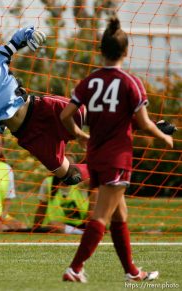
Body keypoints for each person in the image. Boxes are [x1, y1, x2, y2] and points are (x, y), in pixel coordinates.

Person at [59, 16, 174, 283]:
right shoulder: (130, 82)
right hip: (117, 157)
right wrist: (163, 137)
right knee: (101, 215)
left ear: (101, 51)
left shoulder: (89, 81)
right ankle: (75, 268)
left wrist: (78, 134)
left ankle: (132, 273)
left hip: (96, 154)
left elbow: (66, 115)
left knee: (120, 214)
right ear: (126, 51)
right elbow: (144, 123)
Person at [0, 26, 90, 187]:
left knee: (90, 115)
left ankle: (118, 146)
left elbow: (17, 39)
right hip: (27, 135)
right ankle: (103, 169)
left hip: (40, 110)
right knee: (70, 177)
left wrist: (30, 33)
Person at [33, 156, 97, 234]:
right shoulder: (48, 183)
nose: (66, 170)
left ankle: (84, 232)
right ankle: (79, 233)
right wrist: (35, 228)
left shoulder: (83, 184)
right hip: (57, 225)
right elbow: (41, 208)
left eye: (70, 167)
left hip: (81, 224)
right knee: (53, 225)